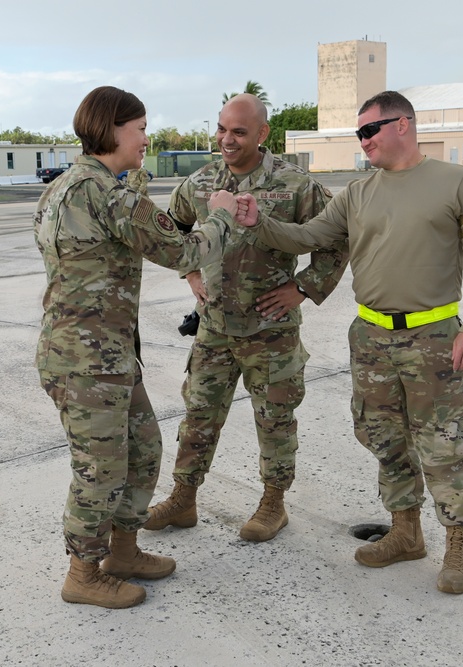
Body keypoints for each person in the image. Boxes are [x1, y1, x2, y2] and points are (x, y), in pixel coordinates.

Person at [234, 90, 463, 594]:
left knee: (443, 443)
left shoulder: (458, 183)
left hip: (435, 336)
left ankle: (458, 546)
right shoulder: (357, 194)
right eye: (359, 134)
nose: (363, 142)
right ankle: (405, 533)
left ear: (403, 125)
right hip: (371, 336)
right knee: (384, 439)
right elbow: (308, 236)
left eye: (369, 131)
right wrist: (259, 224)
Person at [33, 85, 240, 609]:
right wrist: (220, 212)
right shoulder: (109, 195)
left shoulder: (68, 186)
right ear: (113, 129)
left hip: (102, 356)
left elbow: (127, 215)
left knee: (143, 451)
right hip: (89, 363)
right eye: (141, 129)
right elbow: (184, 248)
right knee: (100, 468)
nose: (147, 138)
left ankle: (122, 552)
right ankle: (83, 573)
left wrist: (134, 180)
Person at [144, 94, 348, 542]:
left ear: (262, 134)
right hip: (214, 327)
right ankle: (183, 499)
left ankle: (273, 504)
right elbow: (170, 229)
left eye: (238, 132)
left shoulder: (296, 185)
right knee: (199, 414)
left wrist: (302, 288)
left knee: (274, 419)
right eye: (221, 129)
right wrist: (190, 270)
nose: (226, 140)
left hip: (269, 330)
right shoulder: (199, 184)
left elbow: (336, 239)